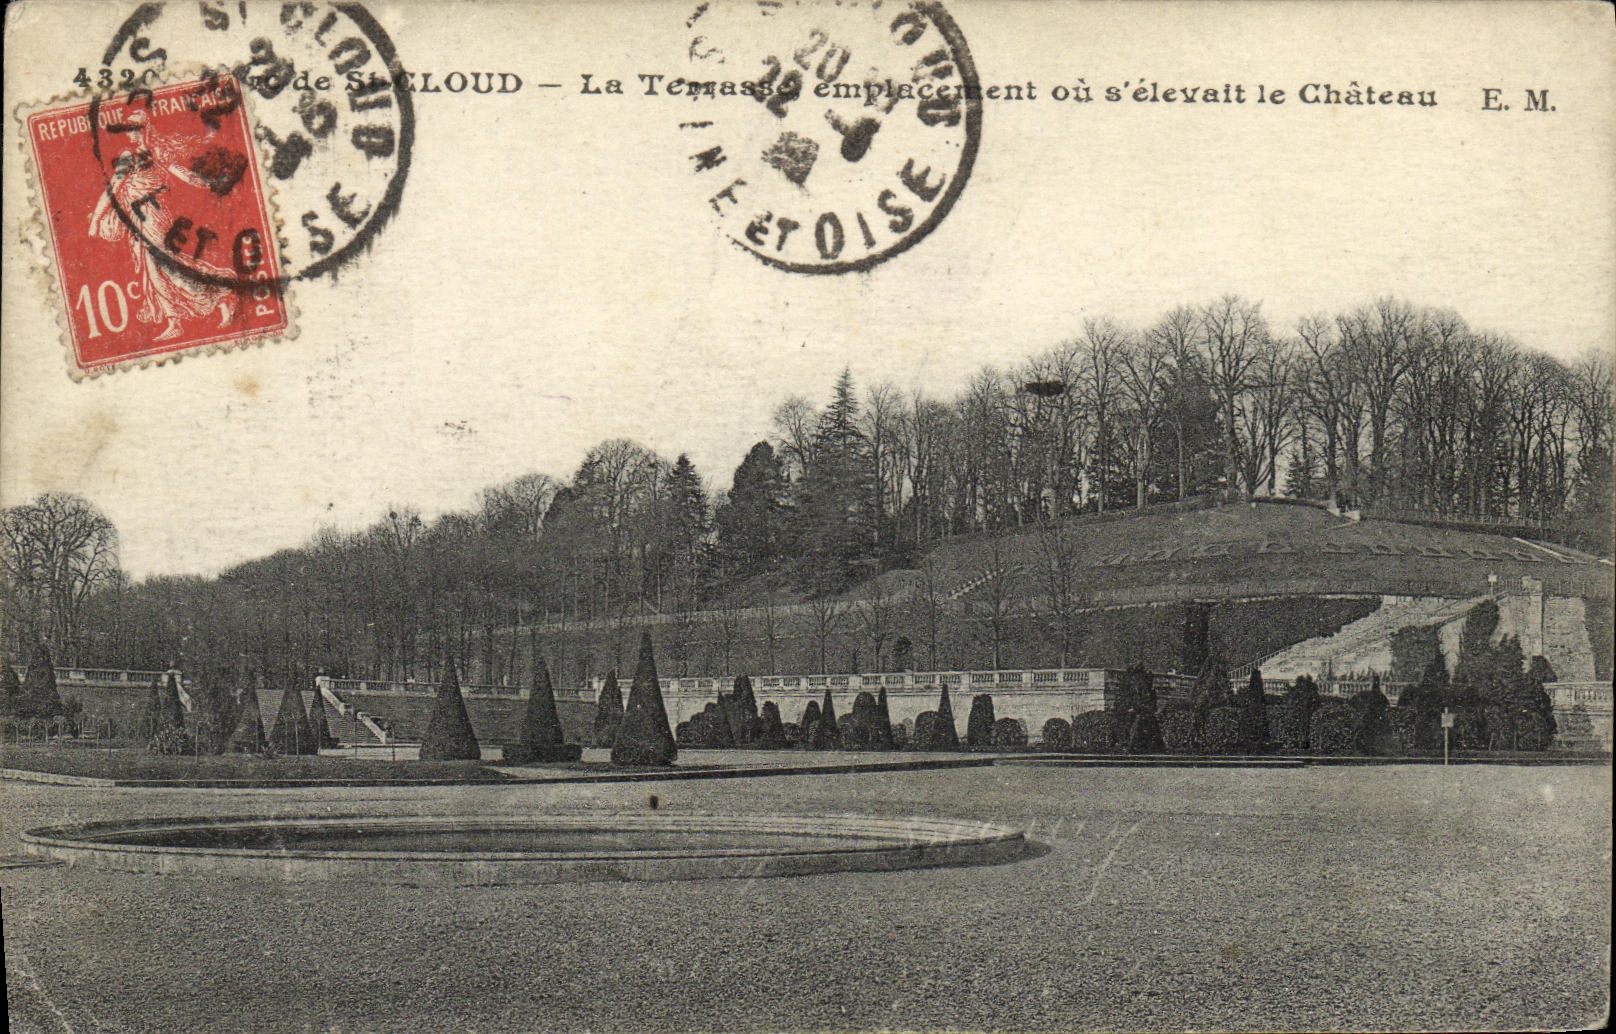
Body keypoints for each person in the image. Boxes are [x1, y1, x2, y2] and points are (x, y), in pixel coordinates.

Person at [88, 109, 236, 341]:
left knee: (166, 266)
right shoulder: (128, 156)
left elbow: (182, 174)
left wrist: (209, 184)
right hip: (139, 217)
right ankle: (179, 317)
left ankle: (218, 295)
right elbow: (114, 188)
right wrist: (96, 218)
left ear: (145, 129)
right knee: (155, 270)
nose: (131, 134)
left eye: (135, 129)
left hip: (156, 213)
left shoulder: (157, 151)